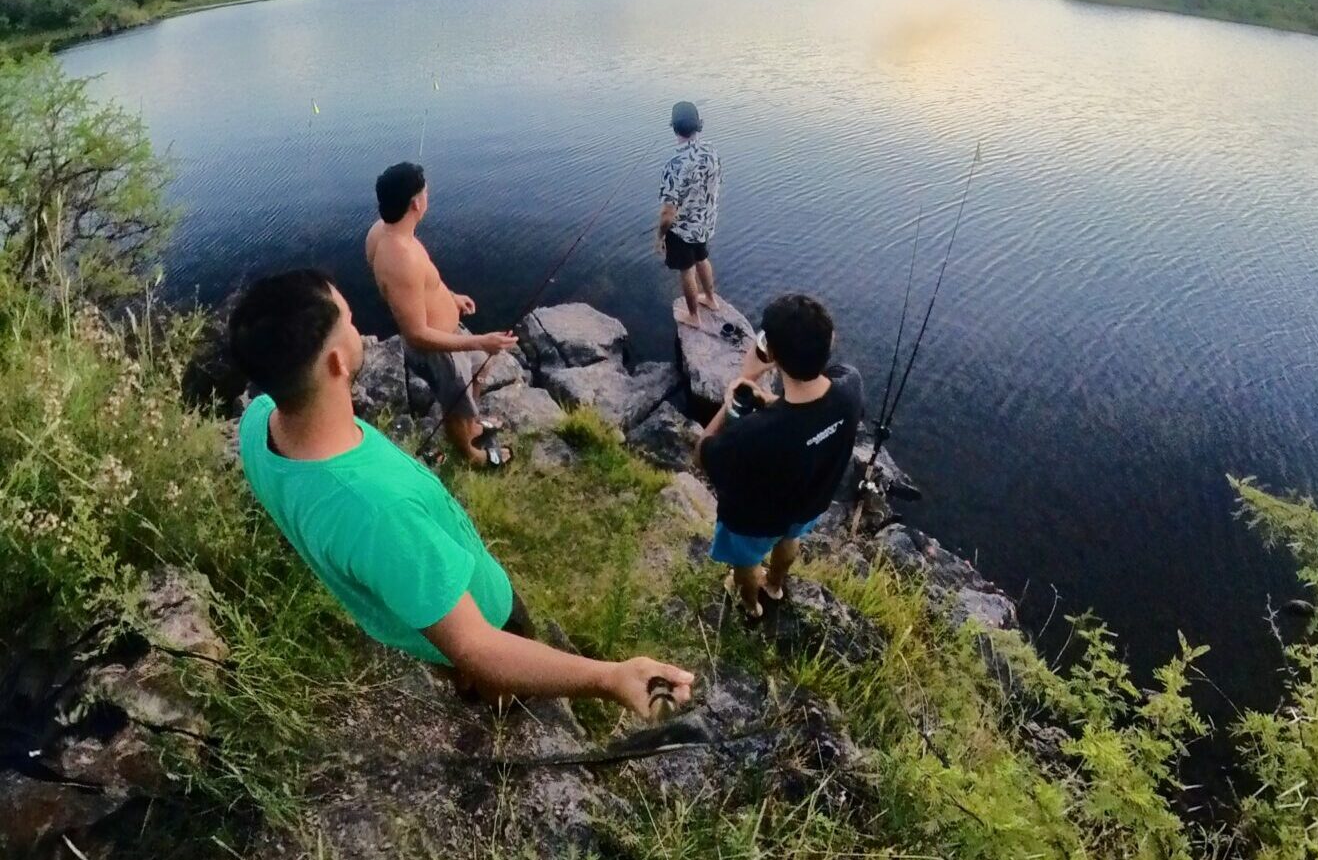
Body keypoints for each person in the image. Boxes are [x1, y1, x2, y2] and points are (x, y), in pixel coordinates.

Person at [230, 269, 694, 715]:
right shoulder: (381, 513)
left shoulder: (257, 422)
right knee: (489, 675)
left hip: (411, 608)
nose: (357, 328)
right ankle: (502, 708)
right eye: (349, 321)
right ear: (335, 362)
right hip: (487, 617)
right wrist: (610, 679)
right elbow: (475, 646)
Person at [696, 294, 864, 618]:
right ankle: (774, 586)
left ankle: (750, 604)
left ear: (770, 354)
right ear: (830, 341)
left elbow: (702, 452)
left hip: (754, 523)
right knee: (791, 538)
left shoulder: (752, 435)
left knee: (745, 563)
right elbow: (808, 413)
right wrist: (769, 401)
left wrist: (742, 385)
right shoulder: (850, 386)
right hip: (809, 504)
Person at [365, 161, 516, 469]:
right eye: (425, 192)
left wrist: (451, 298)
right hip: (438, 351)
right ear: (416, 203)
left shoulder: (384, 231)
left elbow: (424, 284)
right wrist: (480, 340)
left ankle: (473, 425)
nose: (427, 196)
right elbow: (416, 334)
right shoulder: (400, 258)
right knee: (456, 402)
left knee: (479, 368)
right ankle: (471, 454)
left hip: (449, 334)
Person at [656, 100, 722, 328]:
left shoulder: (674, 164)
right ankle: (711, 300)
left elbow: (667, 214)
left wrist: (660, 237)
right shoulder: (711, 150)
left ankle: (694, 316)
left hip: (683, 231)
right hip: (705, 223)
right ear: (698, 125)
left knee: (686, 270)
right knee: (703, 258)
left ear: (674, 127)